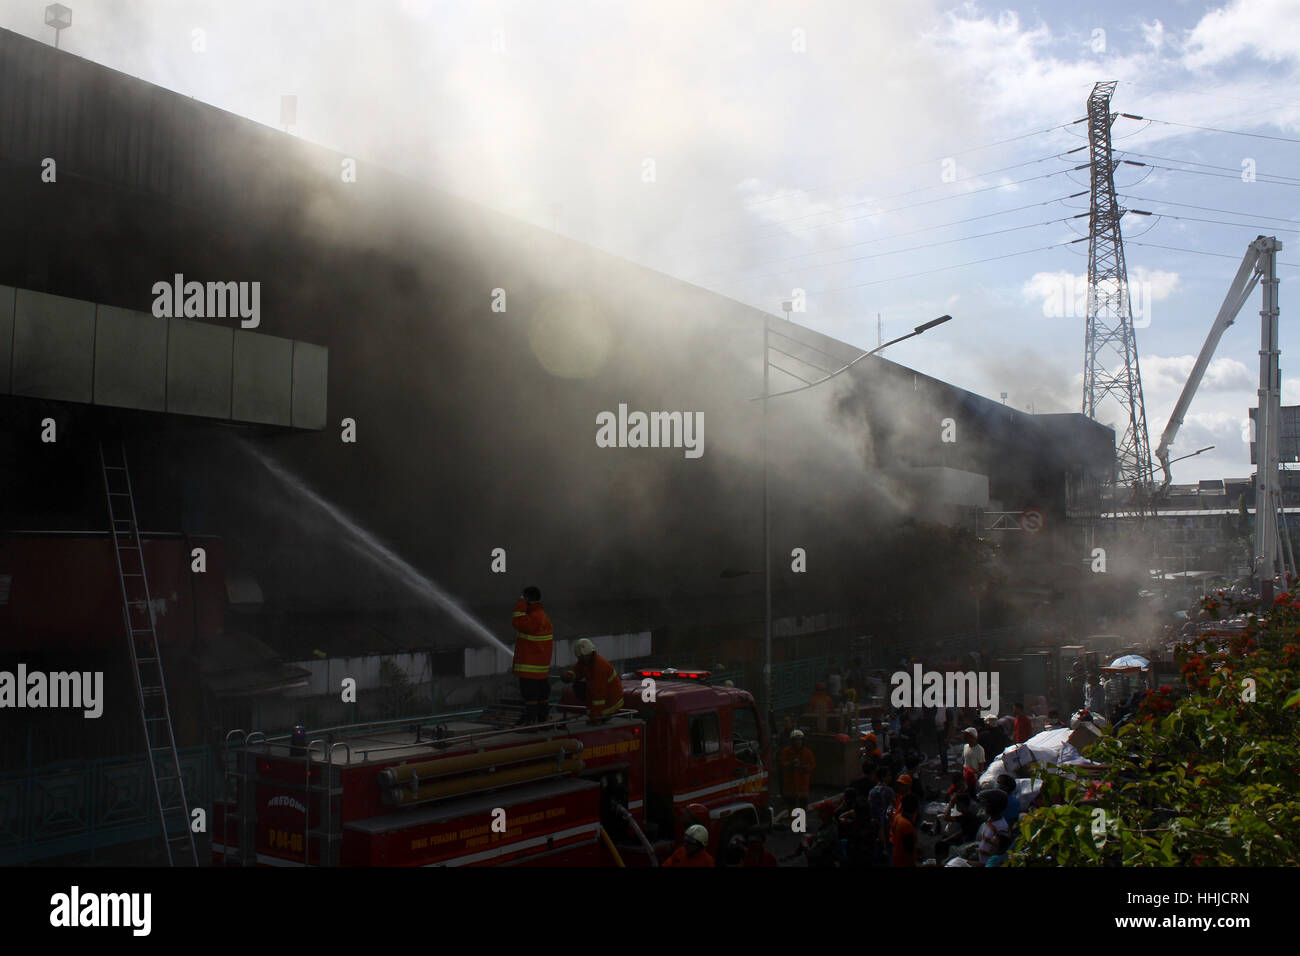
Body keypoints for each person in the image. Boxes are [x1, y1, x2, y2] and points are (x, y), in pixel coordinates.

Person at [510, 586, 553, 724]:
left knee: (530, 696)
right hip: (539, 668)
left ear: (528, 599)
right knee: (541, 695)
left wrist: (520, 606)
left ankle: (531, 722)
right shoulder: (542, 616)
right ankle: (543, 719)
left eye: (524, 597)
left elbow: (517, 623)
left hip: (529, 667)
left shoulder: (535, 617)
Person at [563, 637, 624, 722]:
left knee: (595, 698)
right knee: (578, 686)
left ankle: (603, 716)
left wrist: (594, 716)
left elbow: (599, 696)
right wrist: (569, 675)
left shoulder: (599, 668)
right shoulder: (587, 661)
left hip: (610, 701)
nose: (580, 659)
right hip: (605, 696)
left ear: (588, 654)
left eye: (581, 657)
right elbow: (578, 670)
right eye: (579, 658)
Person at [780, 728, 816, 806]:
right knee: (791, 811)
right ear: (792, 741)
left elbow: (812, 766)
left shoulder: (807, 753)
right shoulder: (786, 752)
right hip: (790, 787)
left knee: (802, 811)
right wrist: (791, 764)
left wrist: (802, 766)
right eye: (795, 740)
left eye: (799, 740)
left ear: (803, 741)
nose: (798, 742)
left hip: (802, 788)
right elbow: (782, 764)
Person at [976, 789, 1010, 864]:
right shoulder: (991, 820)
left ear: (994, 806)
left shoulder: (1000, 828)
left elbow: (997, 859)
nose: (984, 806)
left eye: (986, 803)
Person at [890, 793, 919, 867]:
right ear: (915, 809)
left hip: (896, 856)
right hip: (904, 862)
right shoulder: (907, 826)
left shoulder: (897, 817)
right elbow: (909, 850)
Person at [960, 727, 985, 795]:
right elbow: (963, 762)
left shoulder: (980, 749)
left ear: (972, 737)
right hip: (965, 776)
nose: (964, 737)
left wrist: (979, 779)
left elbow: (981, 766)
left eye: (966, 735)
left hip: (973, 778)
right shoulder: (965, 747)